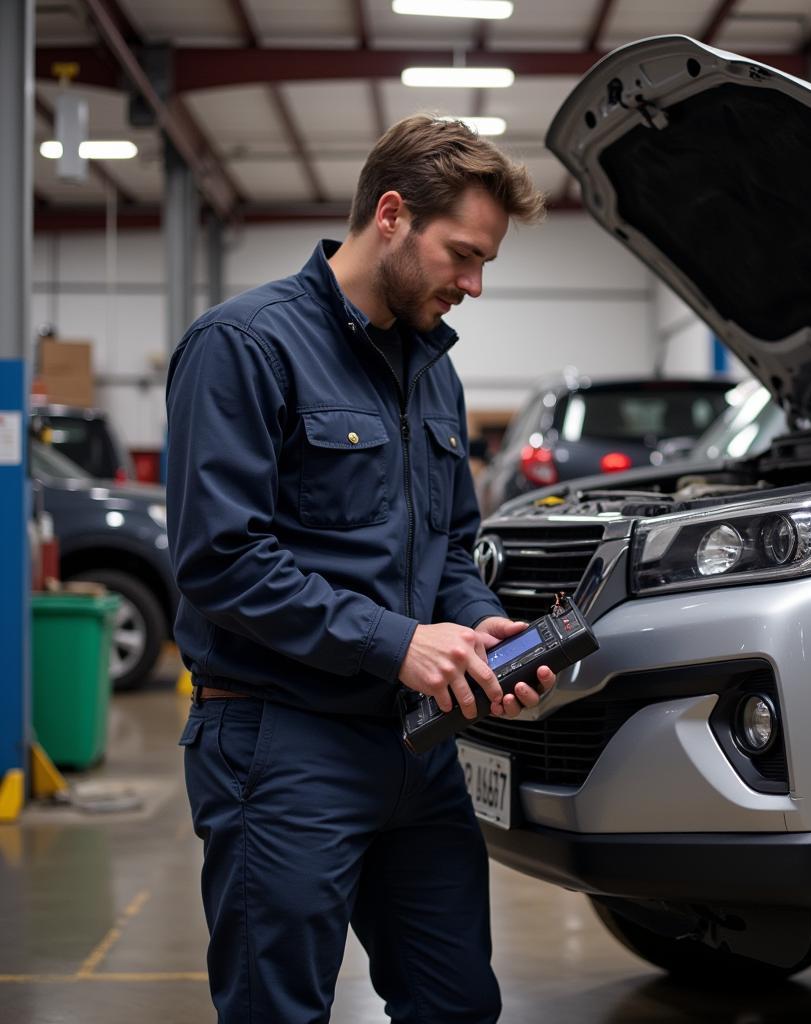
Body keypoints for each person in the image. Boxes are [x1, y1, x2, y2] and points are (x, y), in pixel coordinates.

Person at [166, 115, 548, 1023]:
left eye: (485, 262)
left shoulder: (434, 372)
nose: (475, 284)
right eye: (462, 254)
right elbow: (221, 560)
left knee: (457, 1001)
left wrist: (478, 626)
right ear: (390, 215)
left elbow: (449, 544)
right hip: (283, 742)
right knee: (279, 1009)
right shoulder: (246, 347)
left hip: (415, 745)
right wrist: (399, 640)